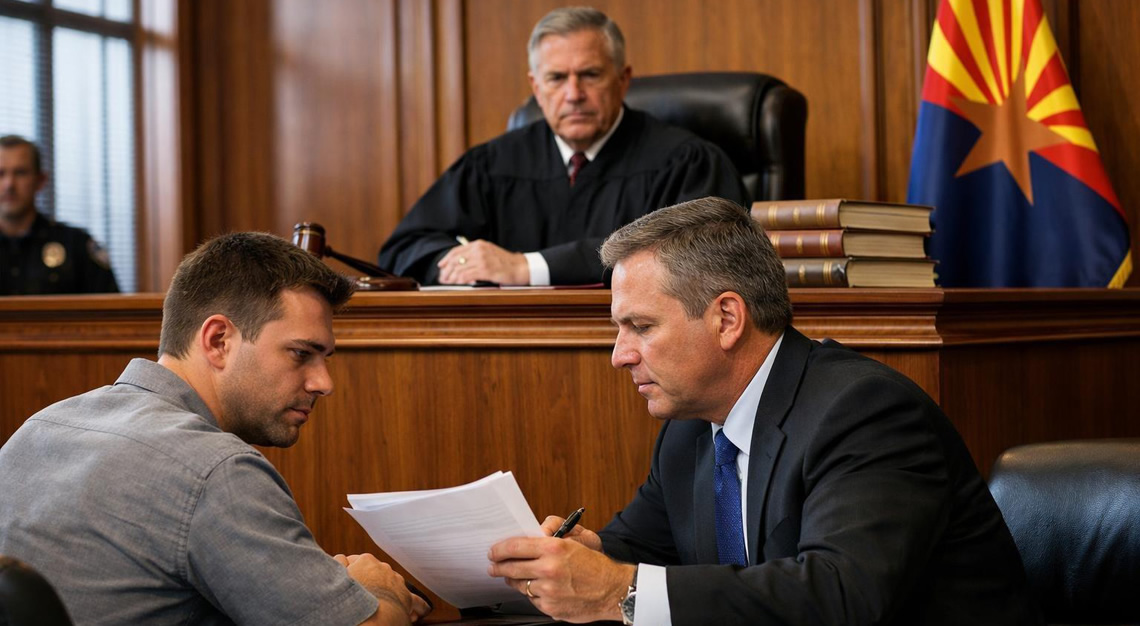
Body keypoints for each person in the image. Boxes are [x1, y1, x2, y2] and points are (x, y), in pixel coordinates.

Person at [487, 197, 1039, 625]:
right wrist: (587, 555)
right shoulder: (692, 430)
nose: (620, 355)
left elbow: (842, 595)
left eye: (642, 326)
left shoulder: (864, 412)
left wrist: (617, 591)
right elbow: (640, 549)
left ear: (727, 318)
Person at [0, 232, 431, 625]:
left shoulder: (36, 431)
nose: (324, 383)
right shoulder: (214, 471)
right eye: (301, 354)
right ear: (218, 341)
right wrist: (381, 590)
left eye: (325, 359)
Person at [378, 7, 748, 286]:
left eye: (590, 75)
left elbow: (700, 259)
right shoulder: (492, 165)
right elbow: (403, 250)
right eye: (556, 78)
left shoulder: (686, 162)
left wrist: (525, 268)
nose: (574, 94)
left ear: (623, 80)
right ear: (536, 88)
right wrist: (464, 264)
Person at [0, 135, 119, 295]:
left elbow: (112, 313)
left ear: (40, 180)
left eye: (20, 173)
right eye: (1, 173)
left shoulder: (76, 245)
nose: (9, 184)